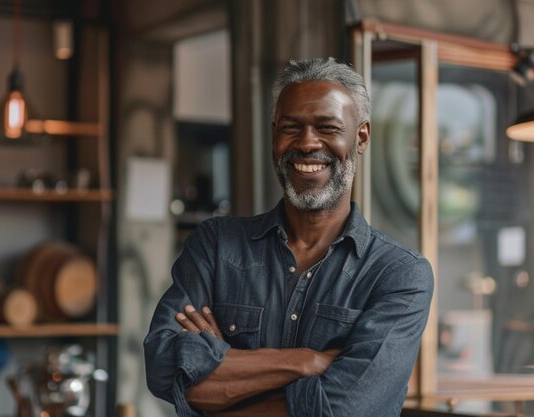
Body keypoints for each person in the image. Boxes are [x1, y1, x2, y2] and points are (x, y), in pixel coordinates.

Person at [144, 57, 434, 417]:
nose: (307, 143)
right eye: (291, 127)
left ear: (361, 137)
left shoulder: (399, 274)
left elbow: (346, 410)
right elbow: (162, 369)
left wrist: (226, 370)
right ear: (273, 135)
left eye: (327, 128)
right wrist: (306, 362)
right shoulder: (216, 246)